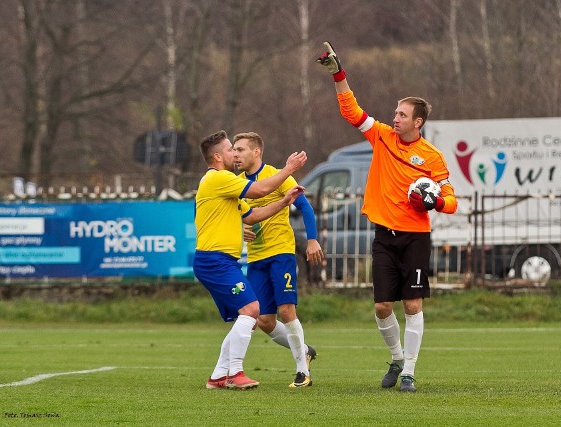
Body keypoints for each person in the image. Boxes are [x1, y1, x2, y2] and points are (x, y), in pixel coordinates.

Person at [316, 42, 458, 392]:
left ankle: (409, 370)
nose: (394, 118)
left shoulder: (432, 157)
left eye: (401, 115)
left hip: (416, 237)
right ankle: (396, 358)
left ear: (418, 121)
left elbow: (451, 200)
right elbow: (352, 111)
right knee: (381, 306)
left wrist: (433, 202)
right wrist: (338, 73)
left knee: (412, 303)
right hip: (384, 235)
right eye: (394, 113)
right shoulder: (382, 136)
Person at [193, 130, 307, 390]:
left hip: (222, 261)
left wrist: (285, 201)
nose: (235, 153)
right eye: (230, 149)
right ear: (219, 156)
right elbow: (260, 189)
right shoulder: (219, 178)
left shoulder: (226, 184)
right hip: (214, 260)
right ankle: (235, 373)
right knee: (252, 310)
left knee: (246, 314)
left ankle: (219, 376)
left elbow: (253, 216)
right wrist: (289, 168)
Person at [232, 132, 324, 388]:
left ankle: (302, 372)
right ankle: (304, 350)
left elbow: (303, 205)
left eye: (240, 149)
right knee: (264, 320)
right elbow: (235, 216)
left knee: (286, 311)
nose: (235, 155)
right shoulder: (237, 184)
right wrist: (241, 229)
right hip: (256, 257)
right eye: (234, 150)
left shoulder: (277, 174)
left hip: (281, 251)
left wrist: (313, 239)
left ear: (256, 152)